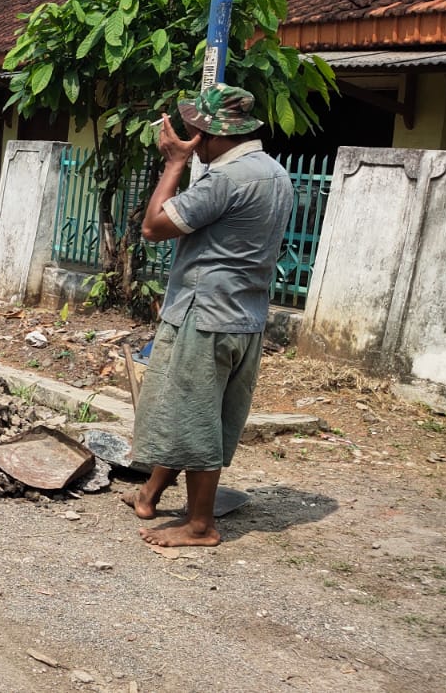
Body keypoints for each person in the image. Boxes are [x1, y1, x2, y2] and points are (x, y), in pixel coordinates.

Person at [123, 84, 294, 547]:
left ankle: (200, 525)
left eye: (196, 132)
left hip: (206, 314)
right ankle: (150, 492)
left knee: (197, 417)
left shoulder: (227, 179)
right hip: (246, 317)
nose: (192, 139)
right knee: (200, 410)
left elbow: (153, 226)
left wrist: (175, 163)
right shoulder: (275, 174)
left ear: (213, 135)